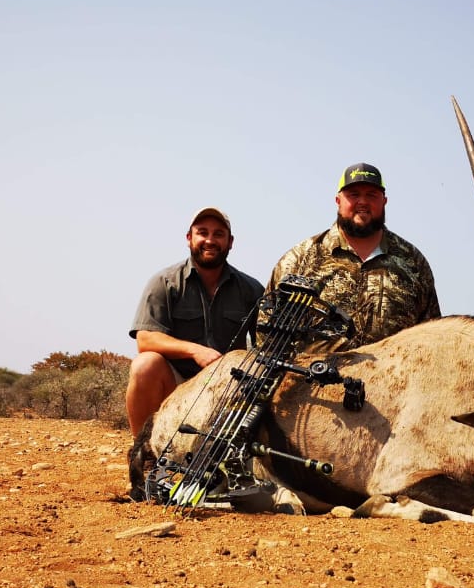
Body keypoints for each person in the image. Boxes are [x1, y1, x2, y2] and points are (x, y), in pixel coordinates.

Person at [268, 163, 439, 350]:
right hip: (311, 369)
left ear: (384, 201)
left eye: (371, 195)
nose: (363, 202)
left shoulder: (413, 263)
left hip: (394, 369)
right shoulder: (300, 259)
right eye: (354, 194)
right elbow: (267, 334)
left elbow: (431, 339)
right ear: (338, 201)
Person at [126, 207, 264, 435]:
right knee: (145, 365)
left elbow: (267, 344)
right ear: (189, 238)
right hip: (177, 387)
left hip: (228, 390)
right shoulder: (164, 282)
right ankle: (142, 450)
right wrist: (195, 351)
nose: (210, 240)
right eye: (202, 233)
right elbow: (145, 339)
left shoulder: (252, 289)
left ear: (230, 242)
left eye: (218, 234)